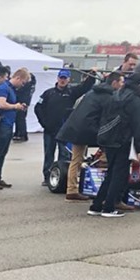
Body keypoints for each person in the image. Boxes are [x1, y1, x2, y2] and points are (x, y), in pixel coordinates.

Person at [56, 71, 123, 202]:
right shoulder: (108, 97)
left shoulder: (92, 93)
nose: (122, 85)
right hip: (89, 129)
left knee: (76, 159)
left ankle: (71, 190)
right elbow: (107, 119)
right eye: (121, 82)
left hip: (76, 128)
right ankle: (100, 185)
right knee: (106, 152)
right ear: (114, 83)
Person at [87, 70, 140, 218]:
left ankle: (97, 205)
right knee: (119, 174)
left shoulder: (116, 95)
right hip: (121, 140)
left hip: (108, 138)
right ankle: (109, 207)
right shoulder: (135, 100)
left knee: (111, 173)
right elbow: (138, 125)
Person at [34, 68, 95, 184]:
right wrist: (44, 123)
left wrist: (91, 76)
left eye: (65, 78)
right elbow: (38, 108)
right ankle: (47, 177)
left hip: (64, 131)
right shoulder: (48, 93)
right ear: (57, 78)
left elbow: (84, 87)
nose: (62, 80)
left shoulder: (72, 92)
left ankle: (61, 178)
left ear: (69, 79)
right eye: (61, 78)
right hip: (49, 131)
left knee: (64, 155)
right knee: (48, 154)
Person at [0, 67, 30, 189]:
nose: (22, 85)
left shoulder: (10, 89)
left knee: (2, 152)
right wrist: (15, 106)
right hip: (2, 124)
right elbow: (1, 104)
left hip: (8, 124)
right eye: (23, 82)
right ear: (18, 78)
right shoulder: (3, 88)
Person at [13, 72, 37, 141]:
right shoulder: (31, 85)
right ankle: (18, 133)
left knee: (20, 119)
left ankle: (22, 134)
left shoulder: (27, 86)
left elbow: (23, 93)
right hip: (25, 102)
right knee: (20, 119)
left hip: (22, 102)